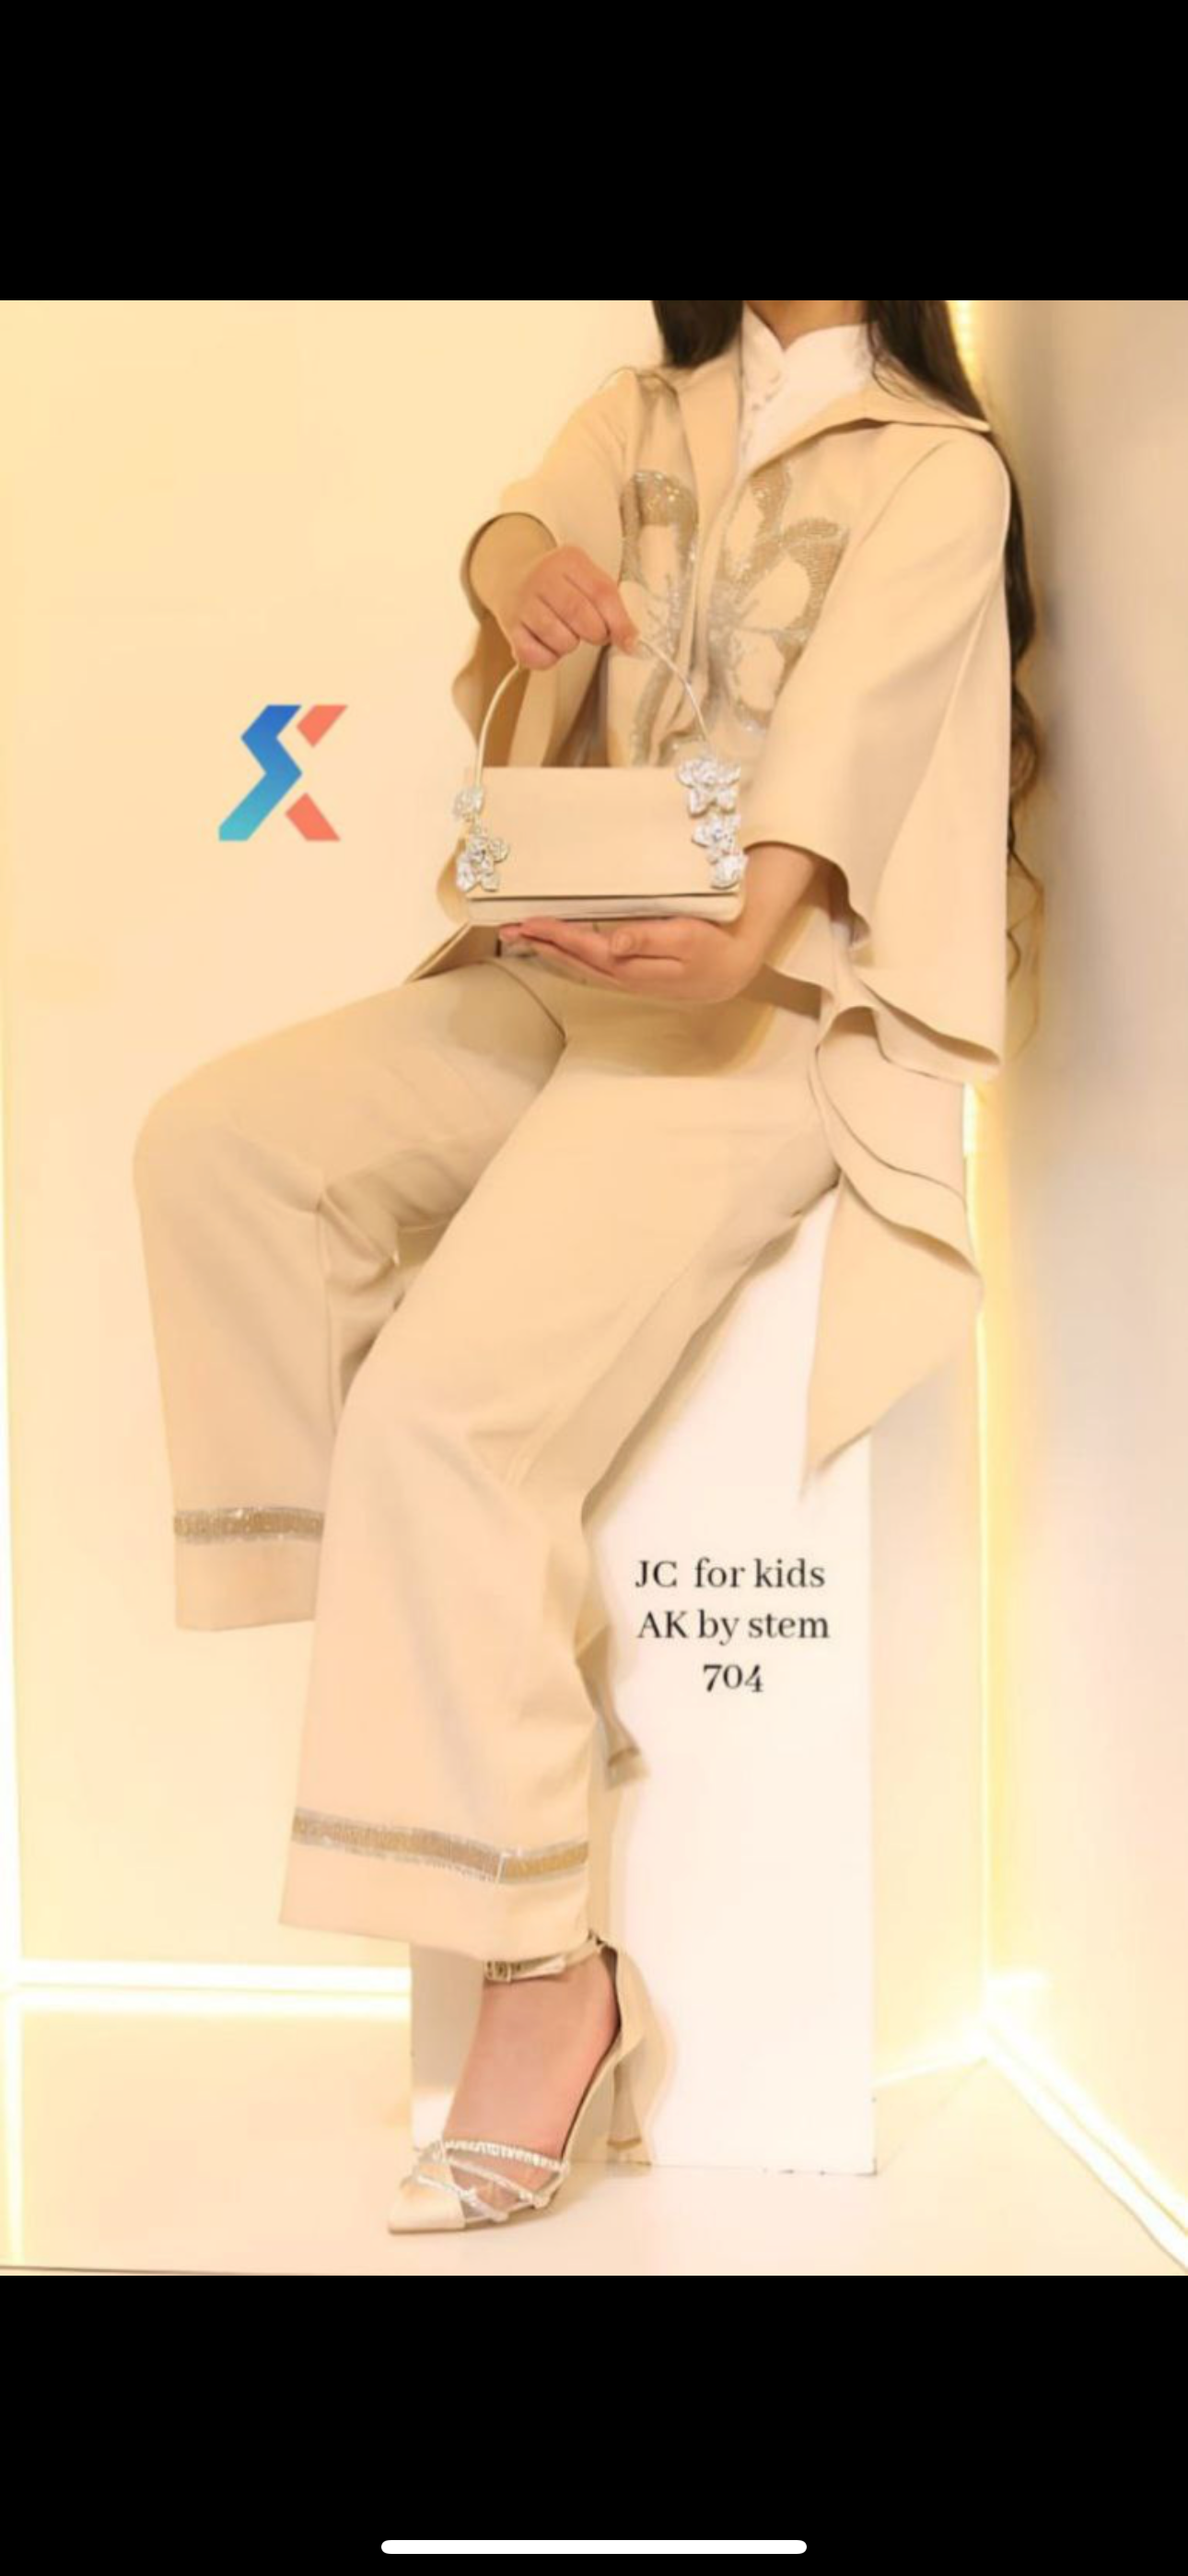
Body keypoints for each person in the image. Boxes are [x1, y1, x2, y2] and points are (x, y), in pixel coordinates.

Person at [132, 300, 1041, 2233]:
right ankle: (469, 1650)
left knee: (439, 1421)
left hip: (760, 1016)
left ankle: (552, 1977)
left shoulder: (938, 470)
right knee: (219, 1150)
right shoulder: (643, 411)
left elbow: (860, 730)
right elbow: (514, 529)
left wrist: (743, 936)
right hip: (560, 960)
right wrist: (520, 573)